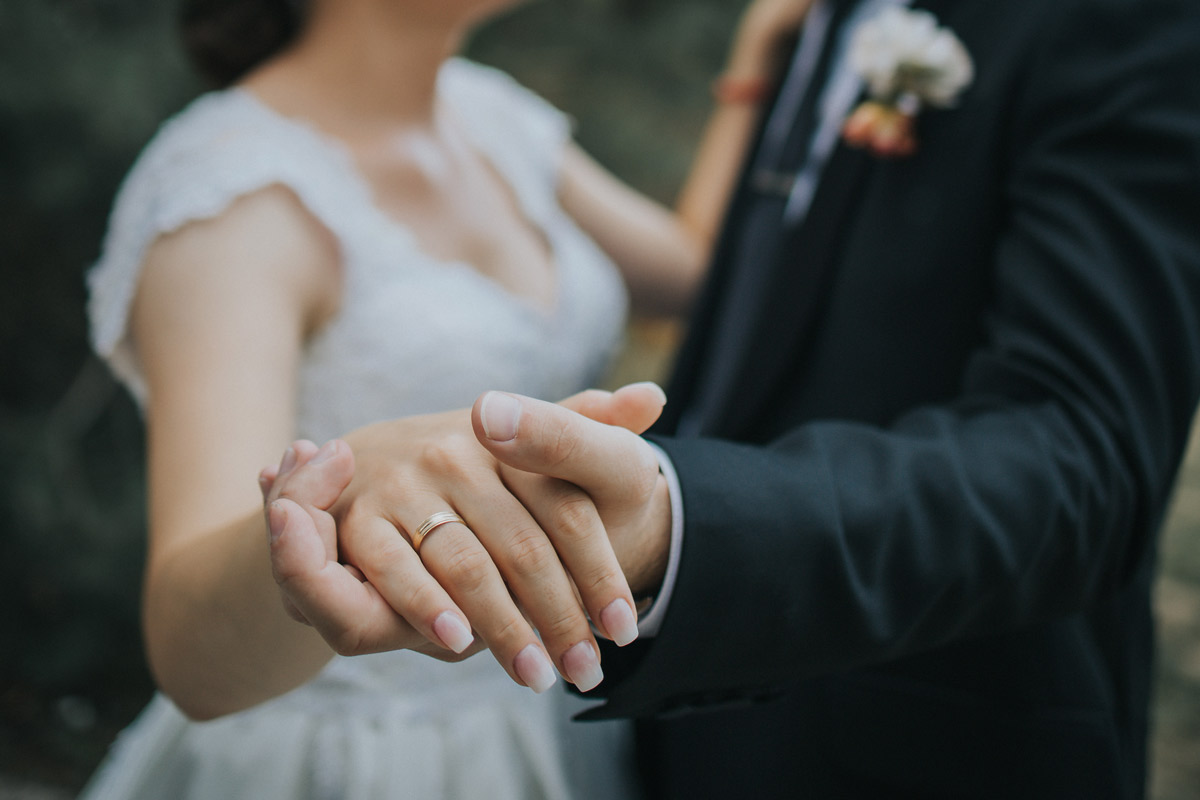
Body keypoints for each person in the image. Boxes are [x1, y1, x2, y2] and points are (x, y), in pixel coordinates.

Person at [265, 0, 1200, 797]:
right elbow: (749, 299)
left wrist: (685, 525)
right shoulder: (822, 21)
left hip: (917, 742)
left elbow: (1085, 452)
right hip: (655, 727)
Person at [79, 0, 807, 795]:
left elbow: (691, 274)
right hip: (349, 758)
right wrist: (335, 508)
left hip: (549, 714)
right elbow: (193, 653)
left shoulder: (490, 114)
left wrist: (754, 66)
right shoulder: (230, 194)